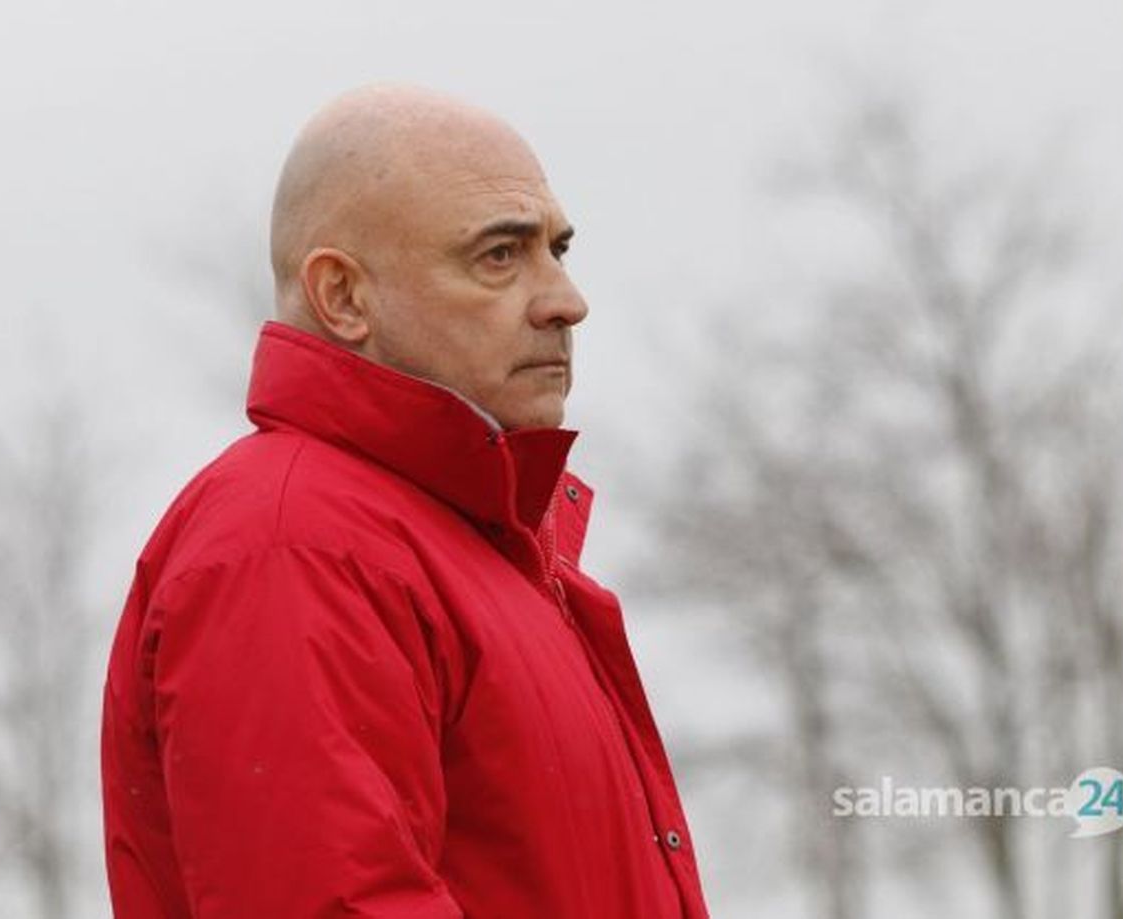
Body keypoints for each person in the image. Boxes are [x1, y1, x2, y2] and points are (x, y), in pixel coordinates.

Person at [100, 84, 710, 918]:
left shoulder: (481, 554)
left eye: (557, 250)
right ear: (344, 297)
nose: (566, 301)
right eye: (500, 255)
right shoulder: (293, 544)